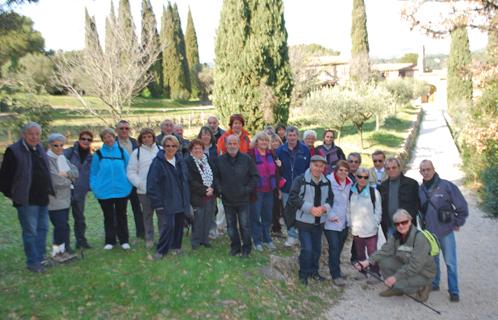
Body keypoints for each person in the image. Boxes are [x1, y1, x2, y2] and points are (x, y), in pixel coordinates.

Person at [0, 122, 54, 273]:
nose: (34, 137)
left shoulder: (40, 149)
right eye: (31, 134)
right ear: (24, 135)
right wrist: (13, 195)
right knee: (30, 232)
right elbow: (4, 178)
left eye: (37, 134)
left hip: (42, 197)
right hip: (26, 200)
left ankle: (41, 257)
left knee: (43, 229)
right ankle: (33, 262)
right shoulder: (14, 151)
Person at [356, 209, 435, 302]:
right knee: (383, 261)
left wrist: (395, 277)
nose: (401, 226)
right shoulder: (396, 236)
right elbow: (384, 251)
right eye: (397, 224)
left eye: (404, 222)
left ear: (410, 221)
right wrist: (367, 262)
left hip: (423, 272)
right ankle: (396, 289)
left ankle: (425, 285)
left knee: (399, 283)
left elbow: (415, 266)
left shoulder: (419, 238)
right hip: (406, 265)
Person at [419, 160, 468, 302]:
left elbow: (461, 206)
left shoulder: (447, 186)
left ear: (434, 169)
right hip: (429, 232)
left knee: (450, 262)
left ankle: (454, 291)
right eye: (423, 170)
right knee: (433, 261)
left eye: (428, 169)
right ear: (420, 172)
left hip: (446, 231)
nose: (426, 172)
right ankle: (434, 283)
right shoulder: (420, 190)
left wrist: (458, 222)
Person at [287, 155, 333, 285]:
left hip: (319, 222)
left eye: (321, 166)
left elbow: (331, 199)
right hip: (304, 221)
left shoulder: (326, 182)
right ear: (310, 165)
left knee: (317, 249)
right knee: (307, 248)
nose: (318, 168)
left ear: (324, 168)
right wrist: (310, 209)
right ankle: (303, 274)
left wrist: (325, 208)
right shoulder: (300, 179)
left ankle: (314, 272)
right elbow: (293, 197)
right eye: (316, 165)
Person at [215, 135, 259, 257]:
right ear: (226, 145)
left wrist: (247, 189)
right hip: (227, 199)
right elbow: (216, 177)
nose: (232, 146)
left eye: (235, 143)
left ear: (239, 145)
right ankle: (235, 247)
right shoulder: (220, 160)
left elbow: (255, 176)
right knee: (231, 227)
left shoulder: (247, 159)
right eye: (230, 144)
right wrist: (220, 189)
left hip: (243, 199)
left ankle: (246, 249)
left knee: (245, 226)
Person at [147, 135, 190, 260]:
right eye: (168, 146)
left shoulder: (180, 160)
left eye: (173, 146)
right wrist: (158, 203)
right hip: (167, 201)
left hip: (180, 199)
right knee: (168, 227)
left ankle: (176, 247)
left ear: (177, 147)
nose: (171, 148)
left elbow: (185, 181)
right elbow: (152, 185)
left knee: (178, 226)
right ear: (163, 147)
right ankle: (161, 250)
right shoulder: (157, 163)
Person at [90, 128, 132, 250]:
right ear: (103, 140)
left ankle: (124, 240)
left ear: (114, 138)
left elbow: (129, 169)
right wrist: (95, 187)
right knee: (108, 217)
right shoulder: (98, 154)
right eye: (106, 137)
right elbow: (93, 172)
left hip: (122, 190)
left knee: (121, 216)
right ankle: (110, 241)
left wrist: (128, 185)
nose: (109, 139)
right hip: (104, 191)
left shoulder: (122, 152)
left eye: (111, 137)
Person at [127, 128, 163, 249]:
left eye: (149, 136)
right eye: (144, 137)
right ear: (141, 139)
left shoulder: (161, 150)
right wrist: (141, 184)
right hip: (144, 191)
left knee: (162, 216)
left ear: (153, 137)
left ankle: (163, 238)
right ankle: (149, 238)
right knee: (147, 215)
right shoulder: (136, 153)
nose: (147, 139)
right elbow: (131, 172)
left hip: (160, 191)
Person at [46, 133, 79, 261]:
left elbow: (76, 172)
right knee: (60, 225)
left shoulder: (63, 158)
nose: (59, 148)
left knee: (64, 225)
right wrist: (69, 180)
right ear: (50, 145)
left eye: (61, 145)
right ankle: (56, 253)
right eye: (56, 145)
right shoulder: (48, 160)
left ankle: (63, 250)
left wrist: (65, 174)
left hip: (65, 198)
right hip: (54, 200)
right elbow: (55, 181)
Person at [276, 126, 311, 247]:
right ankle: (291, 236)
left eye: (294, 135)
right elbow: (277, 170)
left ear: (297, 136)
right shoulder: (280, 150)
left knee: (302, 211)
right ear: (286, 136)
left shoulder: (305, 150)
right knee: (288, 212)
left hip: (301, 186)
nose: (292, 138)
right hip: (286, 187)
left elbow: (308, 168)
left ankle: (302, 235)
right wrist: (279, 186)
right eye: (289, 135)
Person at [248, 132, 281, 251]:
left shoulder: (271, 154)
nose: (264, 142)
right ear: (256, 141)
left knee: (267, 216)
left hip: (269, 190)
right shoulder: (250, 154)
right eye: (261, 140)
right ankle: (257, 241)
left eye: (266, 141)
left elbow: (276, 171)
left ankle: (267, 238)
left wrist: (277, 188)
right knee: (255, 216)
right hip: (256, 190)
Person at [348, 167, 382, 283]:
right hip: (357, 229)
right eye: (360, 177)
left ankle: (375, 273)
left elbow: (378, 210)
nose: (362, 179)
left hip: (370, 229)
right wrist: (350, 223)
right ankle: (362, 271)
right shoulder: (352, 191)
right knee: (359, 251)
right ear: (356, 177)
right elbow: (348, 209)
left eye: (365, 177)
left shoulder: (374, 192)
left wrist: (375, 223)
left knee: (372, 252)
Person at [185, 139, 217, 250]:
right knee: (198, 219)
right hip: (197, 195)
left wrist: (212, 188)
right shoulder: (188, 161)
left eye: (200, 148)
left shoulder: (206, 160)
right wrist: (204, 190)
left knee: (208, 218)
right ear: (191, 150)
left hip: (211, 195)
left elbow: (214, 174)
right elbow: (191, 180)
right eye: (195, 148)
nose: (198, 150)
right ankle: (195, 242)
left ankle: (205, 240)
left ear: (203, 150)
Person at [115, 120, 144, 240]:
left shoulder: (135, 143)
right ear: (116, 130)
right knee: (120, 211)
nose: (124, 131)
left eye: (126, 128)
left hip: (134, 180)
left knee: (137, 208)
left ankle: (141, 234)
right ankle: (122, 235)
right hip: (120, 181)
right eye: (121, 128)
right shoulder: (113, 143)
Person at [64, 130, 94, 249]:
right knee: (63, 220)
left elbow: (92, 174)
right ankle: (65, 245)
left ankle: (81, 241)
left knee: (80, 218)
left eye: (89, 139)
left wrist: (89, 188)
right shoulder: (69, 152)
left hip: (80, 192)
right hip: (66, 191)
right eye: (83, 139)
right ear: (79, 139)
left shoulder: (91, 157)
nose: (86, 141)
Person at [325, 160, 352, 287]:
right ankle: (335, 275)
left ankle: (337, 269)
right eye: (341, 170)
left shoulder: (349, 182)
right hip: (331, 222)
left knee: (339, 247)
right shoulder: (328, 182)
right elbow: (323, 200)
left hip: (344, 221)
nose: (343, 172)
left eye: (346, 170)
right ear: (336, 170)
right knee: (334, 247)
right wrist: (331, 216)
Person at [379, 157, 420, 237]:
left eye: (394, 167)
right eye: (388, 168)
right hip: (390, 228)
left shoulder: (411, 184)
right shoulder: (383, 186)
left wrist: (408, 219)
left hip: (408, 227)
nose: (391, 170)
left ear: (399, 168)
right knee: (393, 249)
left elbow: (417, 204)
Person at [347, 152, 362, 263]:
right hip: (344, 208)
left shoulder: (362, 176)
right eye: (351, 161)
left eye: (356, 162)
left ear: (359, 163)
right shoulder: (342, 174)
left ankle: (355, 257)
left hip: (358, 209)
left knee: (358, 234)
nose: (353, 164)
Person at [269, 133, 284, 237]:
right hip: (272, 184)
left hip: (280, 184)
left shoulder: (281, 153)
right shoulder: (270, 153)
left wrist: (280, 165)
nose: (275, 143)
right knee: (273, 207)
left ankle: (277, 227)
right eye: (273, 141)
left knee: (278, 207)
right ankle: (273, 227)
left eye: (277, 141)